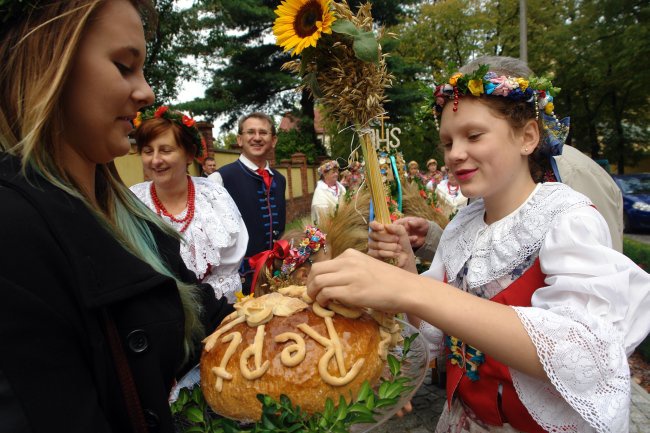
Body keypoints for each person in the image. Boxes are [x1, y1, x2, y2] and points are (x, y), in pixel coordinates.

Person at [307, 60, 650, 432]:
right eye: (448, 142)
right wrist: (407, 268)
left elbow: (584, 355)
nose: (454, 154)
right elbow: (434, 338)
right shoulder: (461, 226)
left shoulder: (568, 218)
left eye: (474, 136)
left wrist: (407, 288)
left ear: (527, 137)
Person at [0, 1, 233, 432]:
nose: (146, 93)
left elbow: (199, 316)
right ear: (52, 65)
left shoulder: (131, 215)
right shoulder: (13, 229)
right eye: (125, 66)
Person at [130, 107, 248, 303]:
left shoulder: (213, 196)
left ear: (189, 154)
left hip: (213, 312)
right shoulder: (133, 200)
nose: (155, 160)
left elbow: (228, 270)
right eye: (148, 151)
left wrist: (198, 305)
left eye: (166, 150)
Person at [209, 112, 287, 294]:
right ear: (240, 139)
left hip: (275, 274)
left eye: (263, 133)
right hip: (239, 279)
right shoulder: (220, 179)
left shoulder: (280, 179)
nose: (257, 138)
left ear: (273, 140)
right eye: (250, 132)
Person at [311, 159, 347, 225]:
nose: (336, 174)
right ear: (324, 174)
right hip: (329, 232)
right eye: (333, 172)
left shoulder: (341, 188)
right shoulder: (320, 194)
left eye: (337, 171)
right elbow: (323, 222)